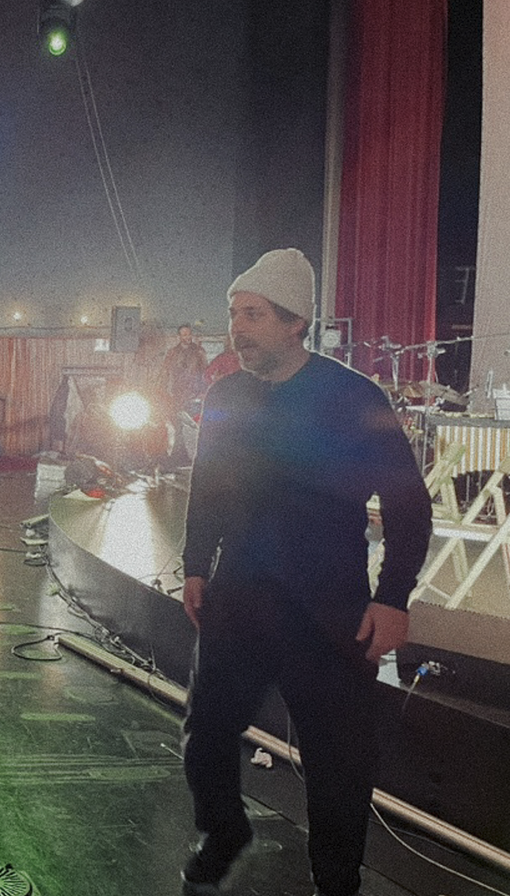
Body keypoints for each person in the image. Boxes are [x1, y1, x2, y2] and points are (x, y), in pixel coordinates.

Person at [179, 249, 432, 896]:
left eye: (254, 315)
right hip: (239, 594)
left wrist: (393, 597)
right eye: (235, 313)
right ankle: (223, 832)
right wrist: (195, 565)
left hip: (327, 607)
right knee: (207, 731)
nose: (238, 327)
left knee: (339, 760)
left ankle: (337, 881)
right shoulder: (226, 394)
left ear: (295, 322)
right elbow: (208, 486)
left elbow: (407, 504)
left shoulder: (353, 398)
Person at [163, 323, 209, 411]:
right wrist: (165, 391)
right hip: (176, 393)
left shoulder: (199, 351)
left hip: (195, 393)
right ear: (179, 337)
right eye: (184, 335)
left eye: (189, 334)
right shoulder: (172, 353)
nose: (188, 337)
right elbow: (165, 372)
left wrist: (203, 391)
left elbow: (205, 371)